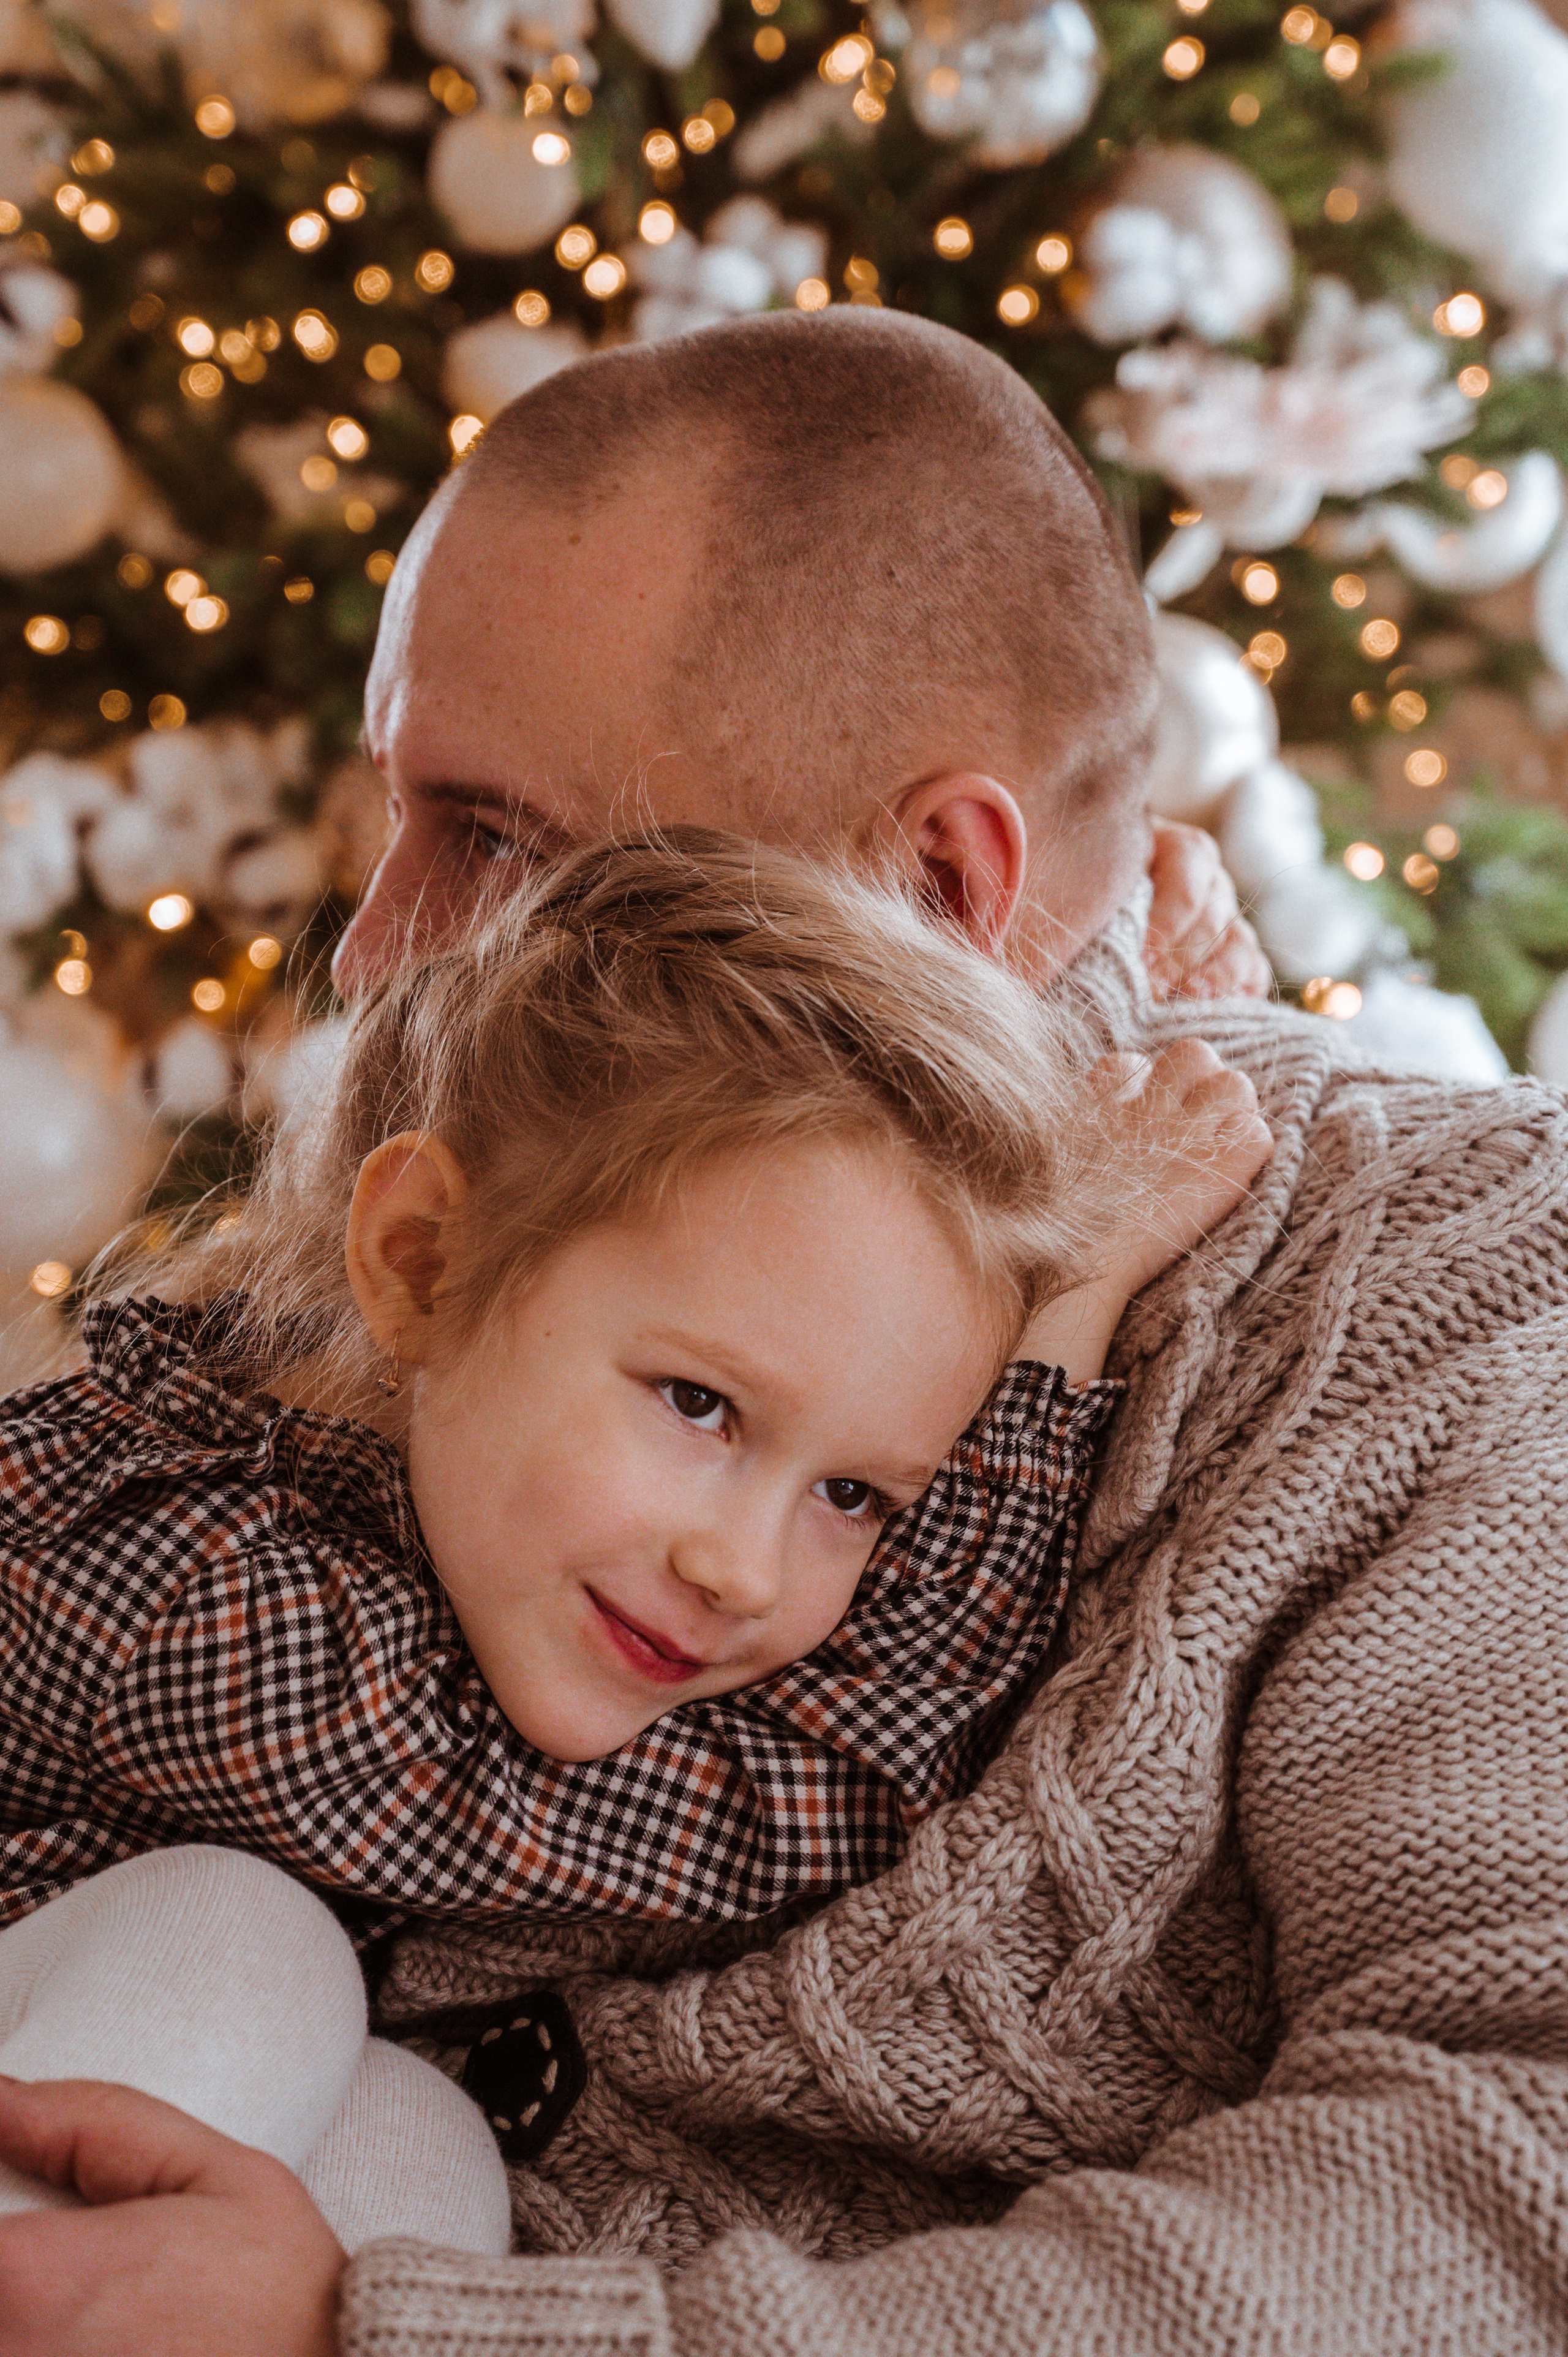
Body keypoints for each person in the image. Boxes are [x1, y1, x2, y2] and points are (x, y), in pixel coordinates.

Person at [0, 308, 1563, 2357]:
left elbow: (1513, 2176)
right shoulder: (473, 1200)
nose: (372, 957)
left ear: (935, 882)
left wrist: (413, 2332)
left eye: (499, 838)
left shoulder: (1455, 1291)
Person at [0, 833, 1270, 2253]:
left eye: (855, 1496)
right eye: (699, 1404)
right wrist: (1071, 1317)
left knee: (415, 2140)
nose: (744, 1569)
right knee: (245, 1941)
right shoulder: (183, 1594)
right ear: (423, 1261)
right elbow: (796, 1796)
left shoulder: (454, 1527)